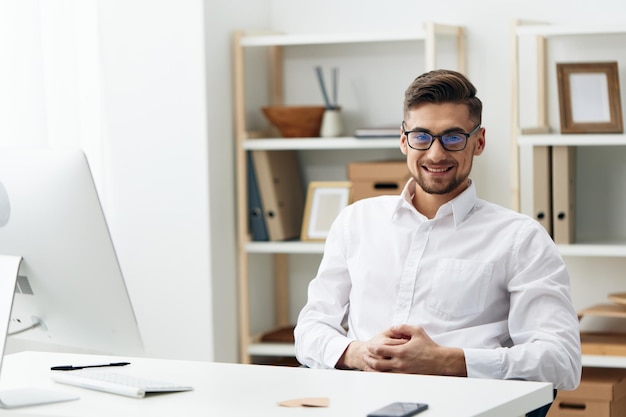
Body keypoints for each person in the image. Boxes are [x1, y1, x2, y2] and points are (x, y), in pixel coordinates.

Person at [294, 69, 582, 396]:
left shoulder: (520, 238)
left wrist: (446, 361)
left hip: (465, 409)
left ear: (479, 141)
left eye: (453, 137)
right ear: (404, 140)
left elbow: (563, 361)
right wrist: (359, 354)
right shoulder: (355, 220)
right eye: (421, 136)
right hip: (362, 401)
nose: (435, 153)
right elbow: (310, 330)